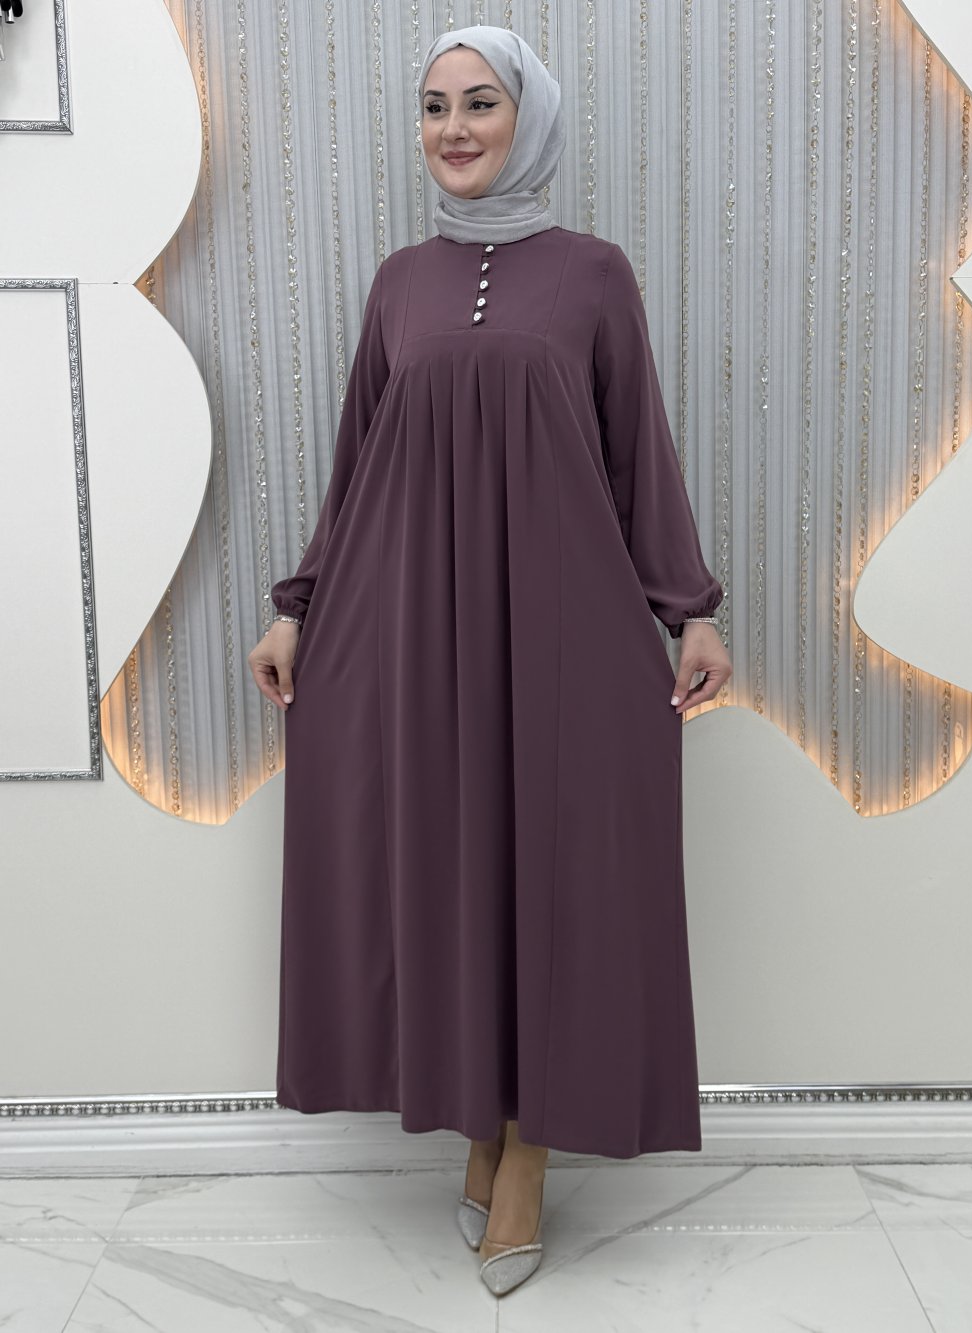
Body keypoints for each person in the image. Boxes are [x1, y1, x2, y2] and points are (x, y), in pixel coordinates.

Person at [248, 24, 731, 1297]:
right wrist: (298, 606)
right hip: (413, 626)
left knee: (554, 873)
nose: (453, 129)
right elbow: (358, 461)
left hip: (563, 625)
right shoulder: (399, 284)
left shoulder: (592, 275)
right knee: (451, 870)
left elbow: (636, 454)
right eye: (433, 107)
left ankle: (526, 1154)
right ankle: (478, 1123)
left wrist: (688, 609)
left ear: (529, 119)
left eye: (479, 103)